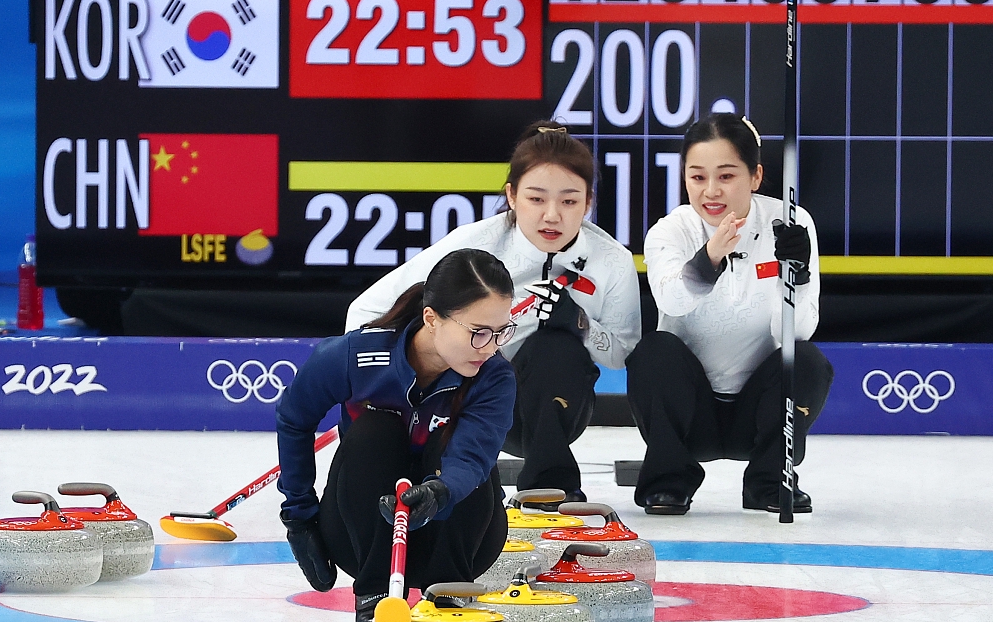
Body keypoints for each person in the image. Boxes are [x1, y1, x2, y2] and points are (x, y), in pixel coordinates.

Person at [346, 121, 641, 500]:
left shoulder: (612, 260)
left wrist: (581, 325)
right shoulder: (474, 245)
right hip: (464, 396)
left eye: (569, 202)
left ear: (588, 202)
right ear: (512, 196)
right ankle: (438, 476)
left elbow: (623, 353)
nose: (552, 215)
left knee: (557, 347)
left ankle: (550, 486)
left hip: (549, 407)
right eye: (536, 199)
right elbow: (364, 312)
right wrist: (392, 379)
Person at [276, 248, 517, 622]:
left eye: (501, 331)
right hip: (361, 534)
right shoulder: (357, 355)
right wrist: (299, 517)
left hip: (459, 534)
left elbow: (473, 455)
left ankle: (450, 593)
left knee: (451, 444)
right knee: (374, 429)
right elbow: (293, 418)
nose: (490, 347)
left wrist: (439, 492)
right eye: (478, 332)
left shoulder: (494, 377)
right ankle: (373, 595)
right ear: (432, 318)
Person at [627, 113, 834, 516]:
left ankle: (770, 480)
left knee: (808, 361)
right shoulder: (670, 231)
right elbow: (672, 301)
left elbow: (797, 332)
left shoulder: (791, 223)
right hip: (692, 415)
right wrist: (708, 259)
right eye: (697, 177)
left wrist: (797, 277)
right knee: (654, 351)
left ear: (755, 176)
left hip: (758, 415)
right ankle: (668, 481)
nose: (710, 191)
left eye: (726, 176)